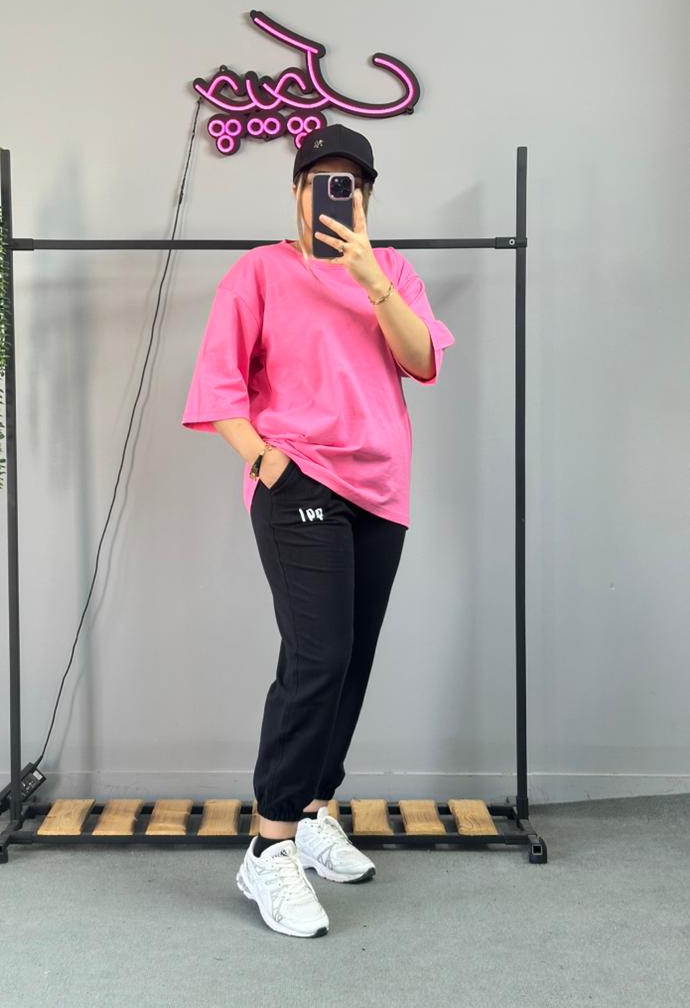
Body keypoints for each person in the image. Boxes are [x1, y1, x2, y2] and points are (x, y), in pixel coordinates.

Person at [181, 123, 455, 937]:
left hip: (381, 488)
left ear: (365, 197)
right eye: (321, 183)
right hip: (298, 477)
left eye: (351, 185)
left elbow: (423, 362)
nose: (336, 196)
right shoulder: (258, 272)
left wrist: (371, 279)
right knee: (318, 655)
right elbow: (218, 385)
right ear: (297, 193)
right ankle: (269, 846)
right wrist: (264, 459)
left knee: (351, 659)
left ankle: (311, 811)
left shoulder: (391, 269)